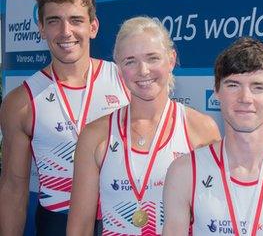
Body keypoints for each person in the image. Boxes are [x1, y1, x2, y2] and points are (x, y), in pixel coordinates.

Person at [66, 16, 221, 235]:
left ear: (171, 59)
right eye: (130, 61)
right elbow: (79, 227)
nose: (143, 70)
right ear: (119, 68)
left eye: (152, 58)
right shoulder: (95, 135)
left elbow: (213, 218)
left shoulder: (201, 129)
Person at [0, 0, 130, 235]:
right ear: (41, 29)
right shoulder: (21, 101)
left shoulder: (124, 79)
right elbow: (14, 188)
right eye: (54, 21)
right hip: (57, 222)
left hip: (120, 219)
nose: (65, 32)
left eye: (76, 20)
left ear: (93, 27)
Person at [162, 37, 263, 236]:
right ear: (216, 90)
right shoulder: (184, 172)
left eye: (258, 87)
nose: (245, 98)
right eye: (233, 85)